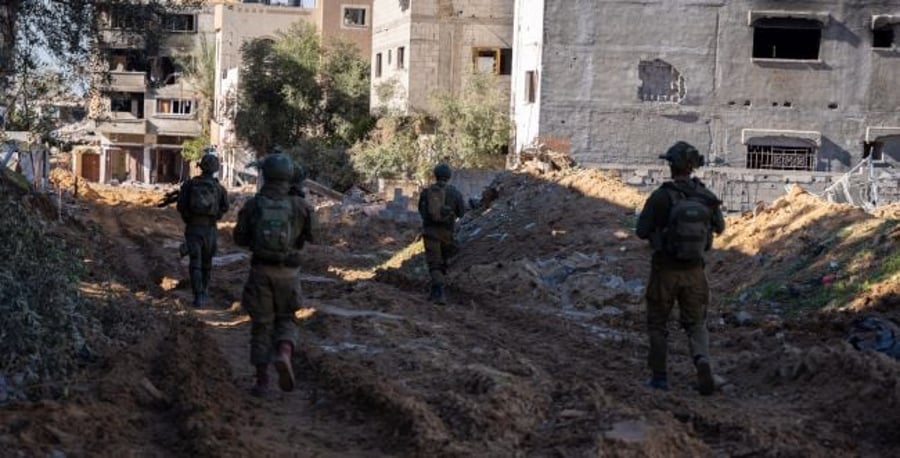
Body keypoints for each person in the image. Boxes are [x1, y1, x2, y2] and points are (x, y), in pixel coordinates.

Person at [635, 141, 725, 396]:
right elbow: (720, 228)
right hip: (695, 271)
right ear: (693, 167)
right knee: (696, 323)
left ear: (671, 166)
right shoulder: (706, 196)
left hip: (664, 270)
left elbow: (641, 231)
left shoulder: (661, 196)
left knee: (658, 324)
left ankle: (659, 379)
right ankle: (702, 361)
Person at [233, 153, 315, 397]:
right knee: (287, 319)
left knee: (261, 325)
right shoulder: (300, 206)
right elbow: (314, 236)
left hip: (261, 272)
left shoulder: (254, 205)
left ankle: (262, 381)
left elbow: (240, 238)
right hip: (290, 274)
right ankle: (285, 352)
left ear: (265, 174)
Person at [176, 152, 229, 308]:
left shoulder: (190, 185)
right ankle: (204, 292)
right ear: (215, 169)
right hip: (210, 229)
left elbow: (181, 206)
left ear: (200, 167)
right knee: (207, 263)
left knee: (195, 263)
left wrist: (189, 220)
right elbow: (225, 207)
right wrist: (214, 217)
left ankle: (197, 296)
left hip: (193, 228)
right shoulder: (219, 188)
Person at [417, 163, 465, 305]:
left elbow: (421, 211)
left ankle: (438, 292)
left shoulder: (427, 192)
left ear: (435, 175)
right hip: (447, 233)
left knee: (434, 265)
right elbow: (461, 213)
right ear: (449, 177)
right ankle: (437, 290)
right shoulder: (455, 193)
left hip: (430, 232)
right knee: (443, 263)